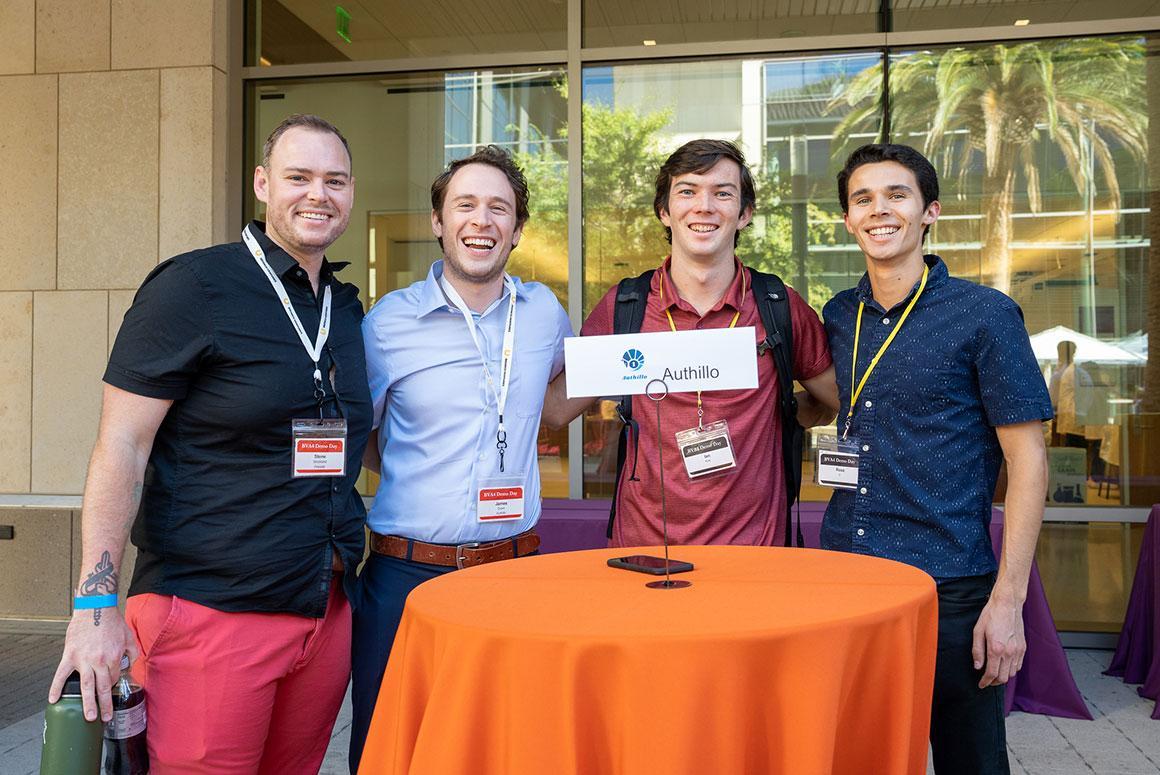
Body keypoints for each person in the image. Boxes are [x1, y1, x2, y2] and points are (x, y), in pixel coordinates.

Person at [48, 114, 371, 773]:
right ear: (261, 183)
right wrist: (94, 606)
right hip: (210, 614)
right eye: (298, 176)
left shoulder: (344, 306)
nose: (319, 194)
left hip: (324, 610)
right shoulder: (192, 288)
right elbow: (121, 448)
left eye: (334, 180)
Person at [820, 143, 1051, 775]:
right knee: (857, 756)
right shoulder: (839, 316)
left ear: (930, 213)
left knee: (968, 762)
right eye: (862, 198)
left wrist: (1008, 602)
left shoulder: (986, 315)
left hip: (947, 586)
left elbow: (1029, 465)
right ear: (847, 219)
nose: (879, 210)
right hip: (848, 579)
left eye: (897, 195)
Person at [350, 145, 572, 771]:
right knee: (388, 748)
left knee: (510, 745)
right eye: (465, 205)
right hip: (406, 579)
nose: (483, 220)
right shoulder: (388, 324)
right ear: (439, 223)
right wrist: (417, 474)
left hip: (514, 574)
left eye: (499, 208)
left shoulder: (544, 315)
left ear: (518, 229)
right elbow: (361, 438)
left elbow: (558, 402)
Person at [542, 139, 838, 547]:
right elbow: (556, 411)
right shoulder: (625, 307)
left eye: (723, 193)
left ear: (745, 214)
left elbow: (842, 401)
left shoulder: (777, 305)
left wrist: (783, 408)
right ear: (665, 211)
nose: (704, 206)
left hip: (757, 562)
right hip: (644, 560)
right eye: (687, 191)